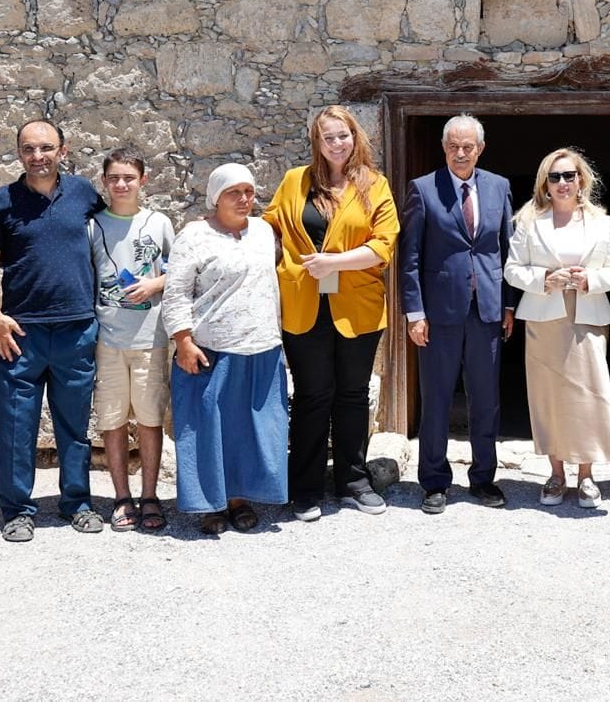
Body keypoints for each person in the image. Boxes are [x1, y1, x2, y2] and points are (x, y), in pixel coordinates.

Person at [262, 106, 399, 522]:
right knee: (310, 395)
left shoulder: (375, 185)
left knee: (353, 395)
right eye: (328, 137)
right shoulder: (294, 181)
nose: (337, 143)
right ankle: (305, 489)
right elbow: (270, 226)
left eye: (344, 135)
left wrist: (334, 264)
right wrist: (222, 230)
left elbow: (384, 244)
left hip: (357, 306)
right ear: (316, 143)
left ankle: (353, 482)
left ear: (355, 138)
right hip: (304, 305)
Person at [0, 120, 107, 542]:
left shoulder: (84, 194)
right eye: (29, 149)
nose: (38, 156)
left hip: (76, 328)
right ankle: (17, 510)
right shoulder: (3, 201)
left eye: (46, 148)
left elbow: (115, 230)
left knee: (74, 424)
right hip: (20, 333)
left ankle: (78, 502)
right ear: (19, 154)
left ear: (63, 151)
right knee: (16, 425)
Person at [400, 114, 519, 514]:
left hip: (486, 309)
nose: (461, 153)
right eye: (453, 146)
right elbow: (411, 256)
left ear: (480, 149)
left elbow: (505, 248)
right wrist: (414, 312)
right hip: (438, 313)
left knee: (486, 399)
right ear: (444, 148)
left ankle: (484, 478)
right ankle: (434, 481)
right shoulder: (422, 189)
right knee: (435, 398)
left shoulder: (499, 186)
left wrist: (508, 303)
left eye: (468, 147)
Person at [163, 164, 289, 535]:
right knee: (207, 429)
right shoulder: (195, 235)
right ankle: (211, 505)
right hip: (211, 350)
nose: (244, 199)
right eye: (234, 192)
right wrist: (182, 340)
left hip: (262, 348)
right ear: (215, 196)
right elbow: (176, 291)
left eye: (249, 191)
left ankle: (240, 499)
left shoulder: (264, 232)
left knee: (250, 430)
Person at [503, 148, 610, 509]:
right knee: (548, 397)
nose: (562, 183)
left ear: (581, 180)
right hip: (544, 316)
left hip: (587, 314)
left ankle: (586, 476)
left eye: (568, 176)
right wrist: (544, 278)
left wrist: (589, 279)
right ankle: (556, 475)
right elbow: (512, 269)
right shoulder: (529, 221)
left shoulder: (602, 222)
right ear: (545, 182)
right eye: (554, 177)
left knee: (589, 395)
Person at [88, 148, 175, 533]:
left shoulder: (159, 223)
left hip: (150, 338)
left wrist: (155, 283)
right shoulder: (92, 226)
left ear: (143, 180)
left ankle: (150, 495)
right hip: (106, 339)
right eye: (113, 178)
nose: (121, 184)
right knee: (111, 419)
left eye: (128, 177)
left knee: (150, 418)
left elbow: (180, 273)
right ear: (104, 181)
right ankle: (122, 496)